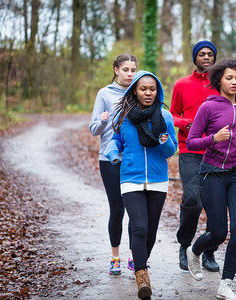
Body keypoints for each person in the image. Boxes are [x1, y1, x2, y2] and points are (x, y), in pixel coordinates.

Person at [185, 59, 236, 300]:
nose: (234, 82)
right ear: (219, 81)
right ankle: (194, 251)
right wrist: (213, 139)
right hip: (212, 173)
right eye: (229, 78)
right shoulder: (208, 108)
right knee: (218, 232)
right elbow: (192, 142)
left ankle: (226, 283)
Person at [104, 70, 178, 299]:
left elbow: (171, 150)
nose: (148, 93)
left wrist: (164, 143)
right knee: (139, 227)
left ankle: (141, 261)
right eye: (143, 88)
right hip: (130, 178)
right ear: (134, 90)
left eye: (152, 89)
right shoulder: (124, 116)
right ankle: (142, 275)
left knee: (151, 232)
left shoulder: (165, 117)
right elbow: (115, 140)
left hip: (157, 179)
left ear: (158, 92)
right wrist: (113, 152)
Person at [170, 40, 221, 272]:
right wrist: (186, 124)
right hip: (189, 149)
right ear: (195, 58)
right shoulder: (181, 84)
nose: (206, 57)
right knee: (192, 199)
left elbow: (234, 111)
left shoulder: (222, 84)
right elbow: (171, 115)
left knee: (215, 202)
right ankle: (184, 245)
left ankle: (209, 251)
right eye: (202, 54)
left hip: (217, 151)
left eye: (210, 54)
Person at [89, 54, 137, 275]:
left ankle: (134, 256)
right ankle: (115, 257)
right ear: (116, 70)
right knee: (117, 208)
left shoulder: (138, 91)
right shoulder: (104, 93)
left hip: (133, 158)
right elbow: (93, 130)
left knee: (134, 209)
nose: (129, 74)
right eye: (125, 69)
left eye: (133, 70)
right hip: (109, 159)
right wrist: (103, 121)